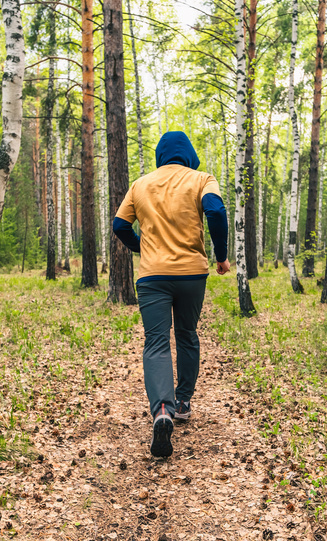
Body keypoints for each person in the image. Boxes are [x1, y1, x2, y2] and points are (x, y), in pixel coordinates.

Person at [112, 131, 230, 458]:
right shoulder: (202, 179)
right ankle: (183, 402)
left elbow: (120, 225)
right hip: (192, 273)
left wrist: (143, 248)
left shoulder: (140, 184)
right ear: (189, 154)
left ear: (161, 155)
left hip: (152, 276)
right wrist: (220, 257)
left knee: (156, 340)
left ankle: (161, 410)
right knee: (188, 334)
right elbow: (216, 212)